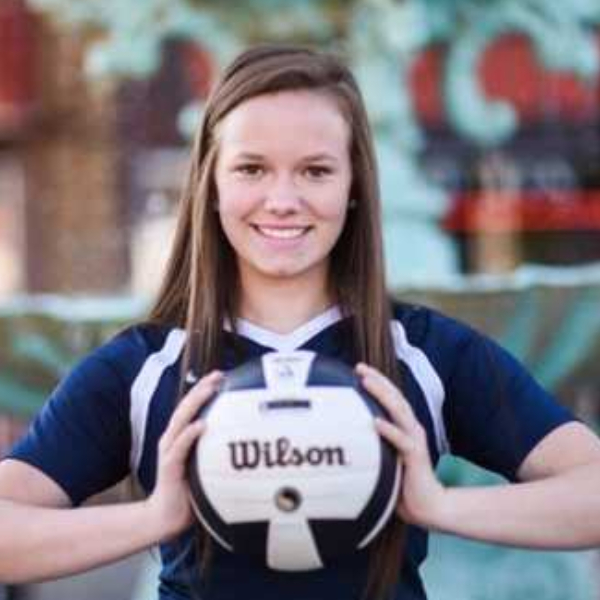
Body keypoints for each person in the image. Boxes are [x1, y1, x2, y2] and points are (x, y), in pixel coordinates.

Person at [1, 43, 600, 600]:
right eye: (252, 169)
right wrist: (154, 517)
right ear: (211, 183)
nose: (283, 200)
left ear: (354, 185)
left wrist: (440, 506)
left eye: (315, 171)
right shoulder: (144, 367)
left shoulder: (422, 352)